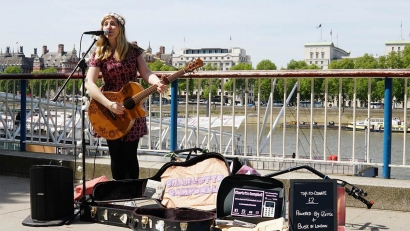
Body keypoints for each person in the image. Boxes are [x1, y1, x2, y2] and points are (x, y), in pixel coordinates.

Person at [85, 12, 167, 180]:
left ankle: (133, 194)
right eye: (105, 23)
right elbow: (89, 83)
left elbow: (146, 72)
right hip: (109, 107)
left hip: (132, 106)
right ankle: (119, 194)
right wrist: (109, 105)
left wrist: (156, 82)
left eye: (113, 23)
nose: (109, 26)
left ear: (121, 28)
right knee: (116, 155)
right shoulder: (99, 53)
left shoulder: (133, 50)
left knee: (130, 155)